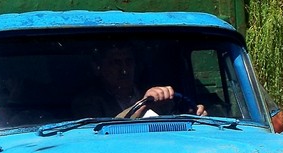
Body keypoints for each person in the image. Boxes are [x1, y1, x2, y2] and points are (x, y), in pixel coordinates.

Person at [74, 45, 205, 119]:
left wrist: (193, 114)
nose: (124, 70)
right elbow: (98, 133)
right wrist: (144, 104)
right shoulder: (88, 102)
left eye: (128, 62)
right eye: (116, 63)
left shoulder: (150, 93)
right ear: (99, 68)